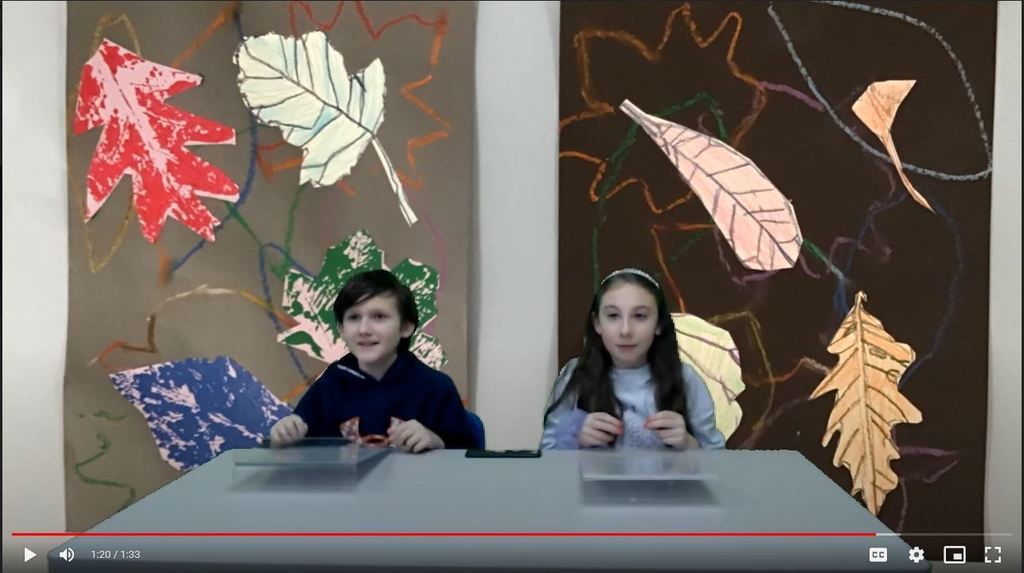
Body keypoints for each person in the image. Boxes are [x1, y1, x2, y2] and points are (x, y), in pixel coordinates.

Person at [269, 269, 476, 452]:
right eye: (354, 318)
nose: (364, 330)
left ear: (406, 327)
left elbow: (468, 457)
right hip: (346, 494)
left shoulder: (436, 388)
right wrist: (287, 433)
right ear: (341, 329)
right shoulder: (331, 384)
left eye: (379, 316)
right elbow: (301, 448)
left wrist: (435, 441)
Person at [541, 267, 725, 450]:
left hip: (669, 481)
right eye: (613, 316)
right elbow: (547, 456)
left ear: (659, 324)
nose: (626, 331)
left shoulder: (685, 379)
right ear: (597, 323)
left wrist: (688, 444)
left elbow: (718, 461)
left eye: (640, 316)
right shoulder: (576, 376)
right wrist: (576, 439)